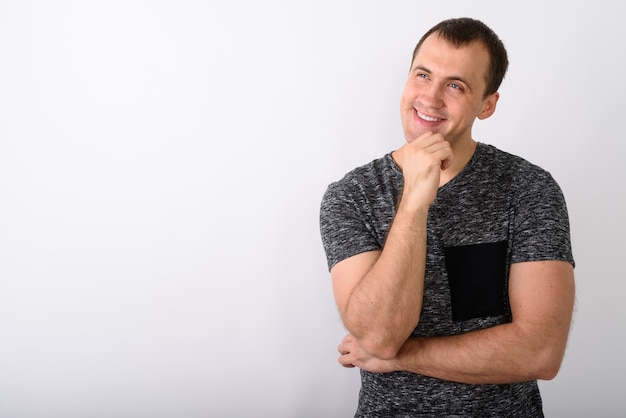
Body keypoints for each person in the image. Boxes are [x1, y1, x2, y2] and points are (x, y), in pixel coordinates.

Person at [319, 17, 575, 417]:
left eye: (456, 85)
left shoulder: (529, 189)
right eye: (423, 75)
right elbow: (379, 336)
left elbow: (540, 352)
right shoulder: (352, 196)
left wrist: (404, 358)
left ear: (487, 105)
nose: (431, 97)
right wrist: (415, 202)